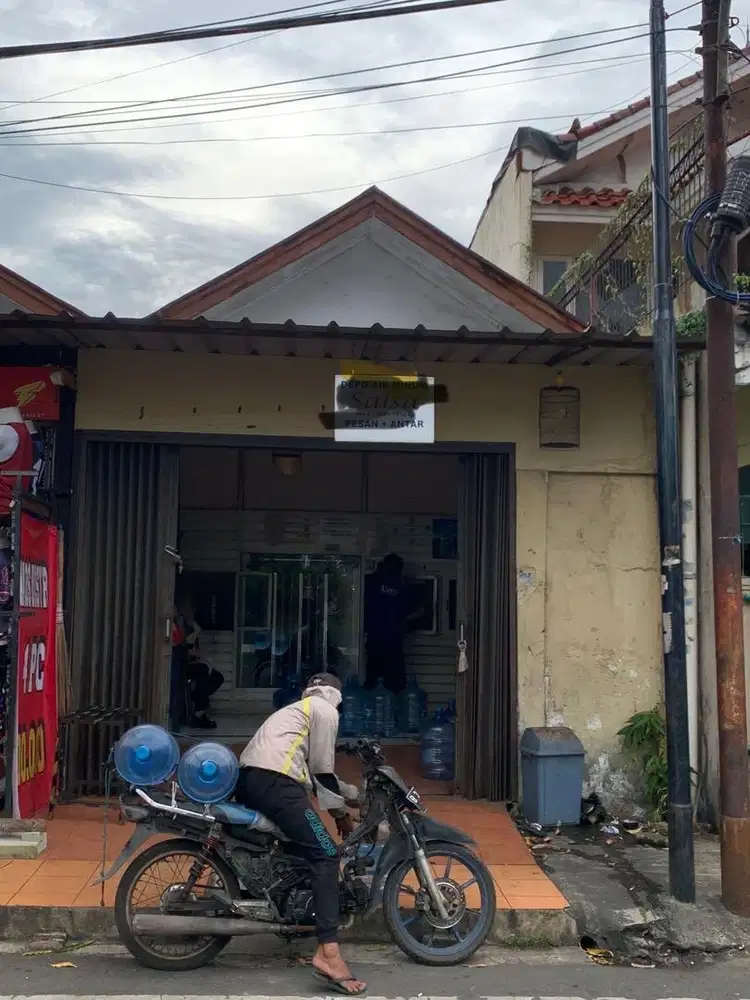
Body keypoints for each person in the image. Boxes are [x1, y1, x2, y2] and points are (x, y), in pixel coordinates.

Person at [235, 672, 366, 996]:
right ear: (336, 697)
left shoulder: (298, 711)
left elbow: (314, 777)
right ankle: (329, 952)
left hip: (256, 780)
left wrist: (344, 803)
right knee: (326, 852)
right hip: (276, 783)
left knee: (302, 845)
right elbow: (323, 773)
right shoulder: (324, 711)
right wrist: (348, 807)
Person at [363, 553, 421, 695]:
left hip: (374, 638)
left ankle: (371, 710)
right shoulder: (403, 585)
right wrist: (402, 620)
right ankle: (393, 712)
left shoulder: (372, 582)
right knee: (395, 683)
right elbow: (421, 610)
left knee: (372, 680)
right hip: (393, 639)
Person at [176, 595, 225, 729]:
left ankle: (198, 700)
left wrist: (206, 661)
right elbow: (185, 645)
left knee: (217, 677)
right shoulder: (180, 623)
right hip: (181, 663)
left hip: (194, 661)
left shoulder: (191, 624)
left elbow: (196, 651)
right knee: (203, 672)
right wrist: (197, 630)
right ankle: (199, 711)